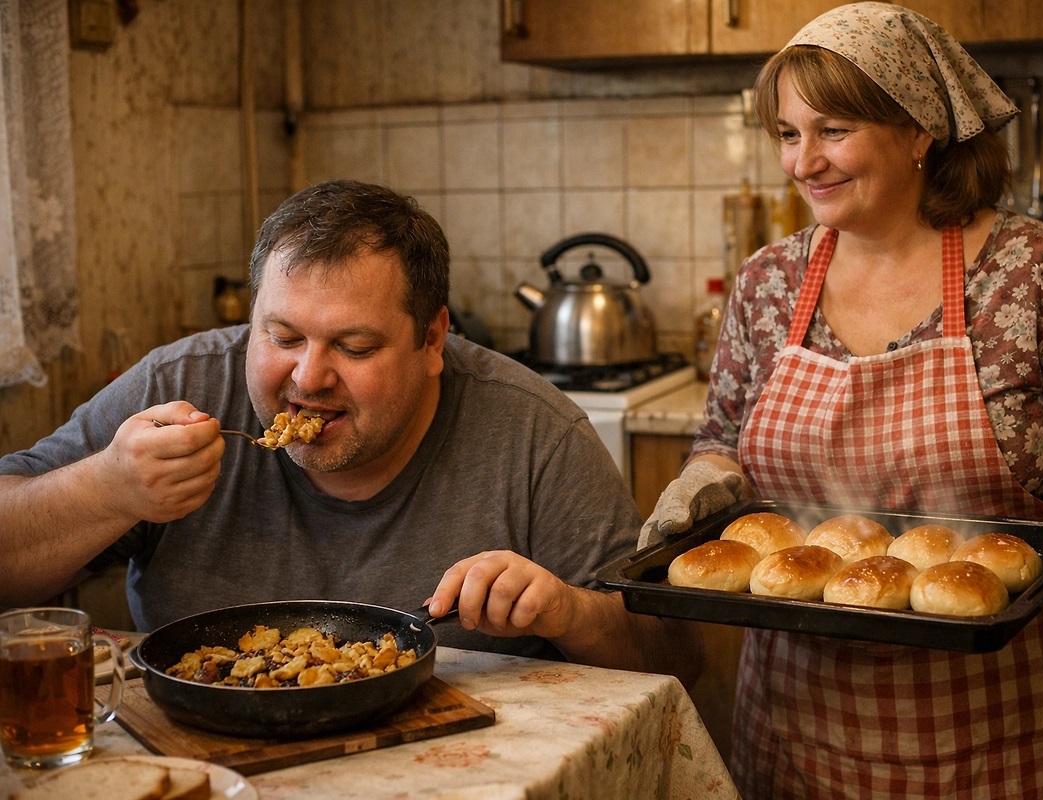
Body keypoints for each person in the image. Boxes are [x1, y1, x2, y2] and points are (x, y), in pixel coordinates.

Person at [640, 3, 1043, 797]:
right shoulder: (768, 282)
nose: (802, 163)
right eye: (789, 135)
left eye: (832, 130)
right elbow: (725, 435)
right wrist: (706, 477)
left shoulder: (1033, 270)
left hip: (1030, 728)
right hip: (815, 729)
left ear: (919, 130)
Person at [0, 178, 702, 684]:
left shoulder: (533, 433)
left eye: (355, 347)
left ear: (432, 340)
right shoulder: (175, 386)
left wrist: (566, 611)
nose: (308, 377)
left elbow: (674, 657)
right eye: (281, 335)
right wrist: (104, 489)